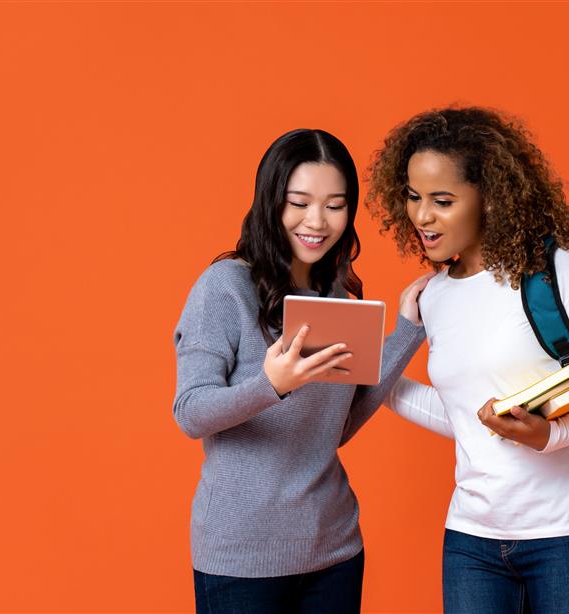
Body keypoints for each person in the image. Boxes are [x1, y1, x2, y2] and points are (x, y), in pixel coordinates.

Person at [366, 107, 569, 613]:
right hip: (471, 542)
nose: (422, 216)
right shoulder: (434, 297)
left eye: (443, 200)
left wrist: (550, 434)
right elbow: (467, 420)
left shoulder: (555, 270)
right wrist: (373, 369)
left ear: (490, 198)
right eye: (412, 196)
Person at [172, 128, 431, 614]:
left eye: (335, 205)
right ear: (271, 202)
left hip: (333, 550)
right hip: (240, 558)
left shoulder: (334, 296)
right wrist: (271, 385)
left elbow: (336, 428)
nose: (317, 221)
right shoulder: (225, 287)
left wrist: (407, 330)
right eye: (299, 202)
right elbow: (190, 412)